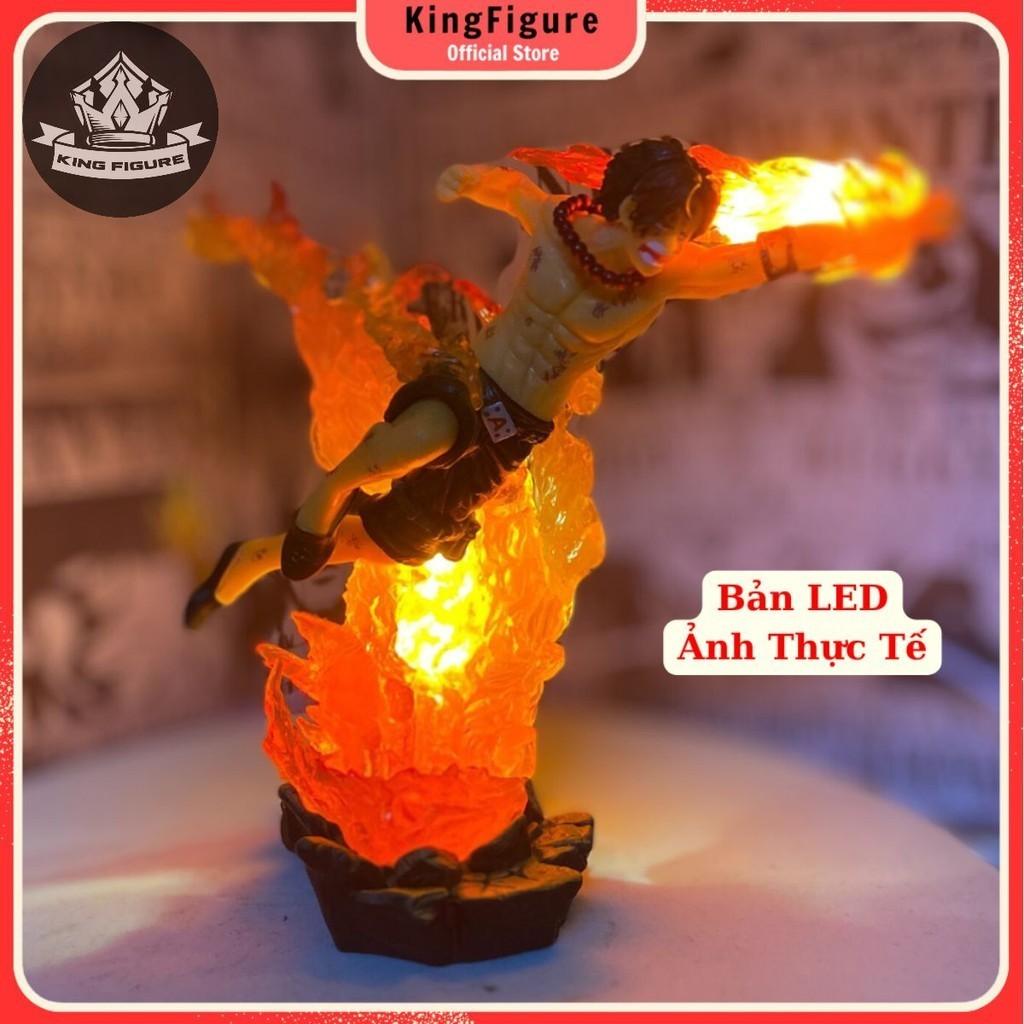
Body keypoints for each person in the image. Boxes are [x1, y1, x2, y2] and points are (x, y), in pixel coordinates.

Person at [185, 136, 952, 628]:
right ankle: (324, 497)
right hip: (471, 374)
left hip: (519, 424)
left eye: (677, 237)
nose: (664, 248)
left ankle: (254, 557)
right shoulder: (557, 221)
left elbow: (761, 259)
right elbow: (506, 187)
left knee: (406, 542)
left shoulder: (668, 278)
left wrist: (853, 235)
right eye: (657, 230)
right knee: (421, 437)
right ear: (625, 206)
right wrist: (466, 180)